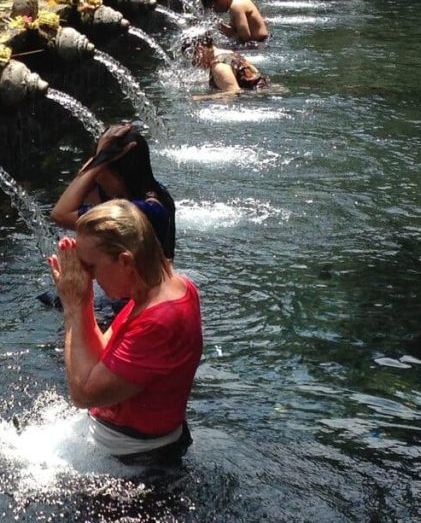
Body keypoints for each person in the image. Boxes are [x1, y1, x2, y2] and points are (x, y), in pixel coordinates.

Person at [47, 200, 203, 465]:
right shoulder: (163, 288)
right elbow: (102, 358)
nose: (89, 277)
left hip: (134, 463)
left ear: (125, 261)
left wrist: (75, 304)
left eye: (91, 266)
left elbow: (83, 394)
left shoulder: (160, 321)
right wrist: (83, 301)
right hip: (131, 447)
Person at [50, 123, 176, 259]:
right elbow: (80, 195)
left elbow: (60, 215)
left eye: (101, 169)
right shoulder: (151, 194)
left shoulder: (141, 211)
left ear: (121, 172)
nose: (96, 177)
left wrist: (99, 158)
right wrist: (100, 156)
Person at [185, 32, 268, 94]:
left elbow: (233, 93)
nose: (194, 64)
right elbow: (257, 74)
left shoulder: (219, 66)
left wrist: (202, 98)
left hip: (255, 100)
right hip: (265, 92)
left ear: (200, 50)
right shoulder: (229, 53)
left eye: (192, 58)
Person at [199, 0, 269, 43]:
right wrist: (219, 26)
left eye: (213, 7)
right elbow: (237, 31)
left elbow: (245, 37)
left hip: (259, 44)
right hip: (261, 41)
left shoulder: (236, 6)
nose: (214, 11)